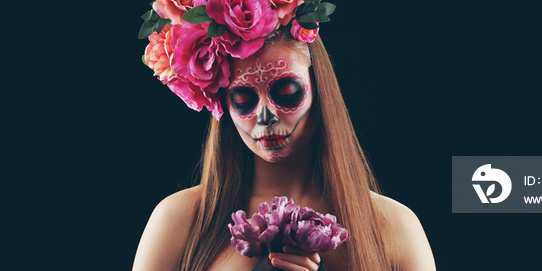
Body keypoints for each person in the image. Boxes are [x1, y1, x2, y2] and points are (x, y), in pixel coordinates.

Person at [133, 1, 435, 270]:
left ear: (319, 90)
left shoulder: (394, 226)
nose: (265, 117)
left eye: (286, 93)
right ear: (224, 102)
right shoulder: (179, 220)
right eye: (243, 99)